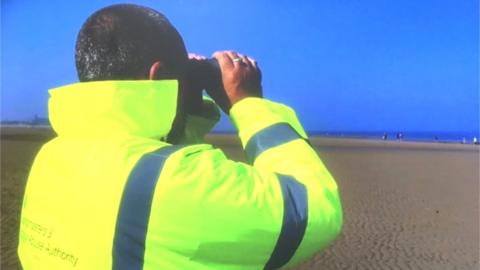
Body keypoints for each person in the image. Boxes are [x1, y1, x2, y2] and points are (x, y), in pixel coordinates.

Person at [18, 4, 343, 270]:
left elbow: (148, 168)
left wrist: (180, 102)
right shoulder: (172, 183)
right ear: (158, 76)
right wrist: (249, 103)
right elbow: (314, 209)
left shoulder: (53, 156)